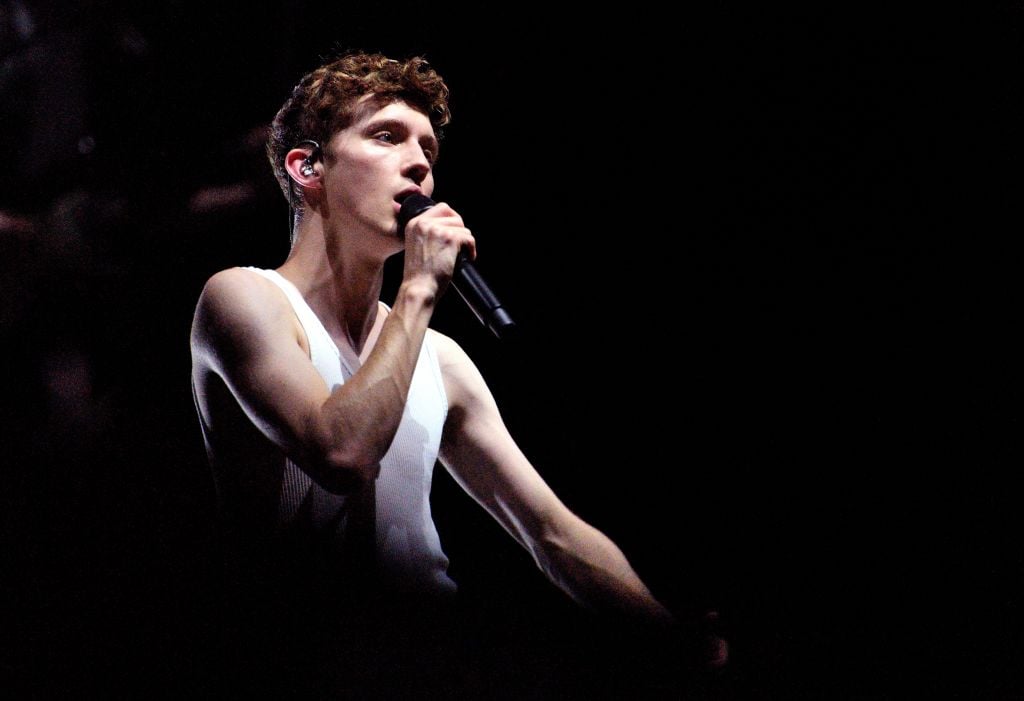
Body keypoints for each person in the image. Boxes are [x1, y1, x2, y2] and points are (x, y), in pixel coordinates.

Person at [190, 50, 725, 698]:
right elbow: (340, 450)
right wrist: (417, 288)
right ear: (309, 168)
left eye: (428, 150)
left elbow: (552, 532)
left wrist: (668, 633)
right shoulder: (244, 298)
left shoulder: (437, 358)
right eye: (386, 136)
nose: (419, 162)